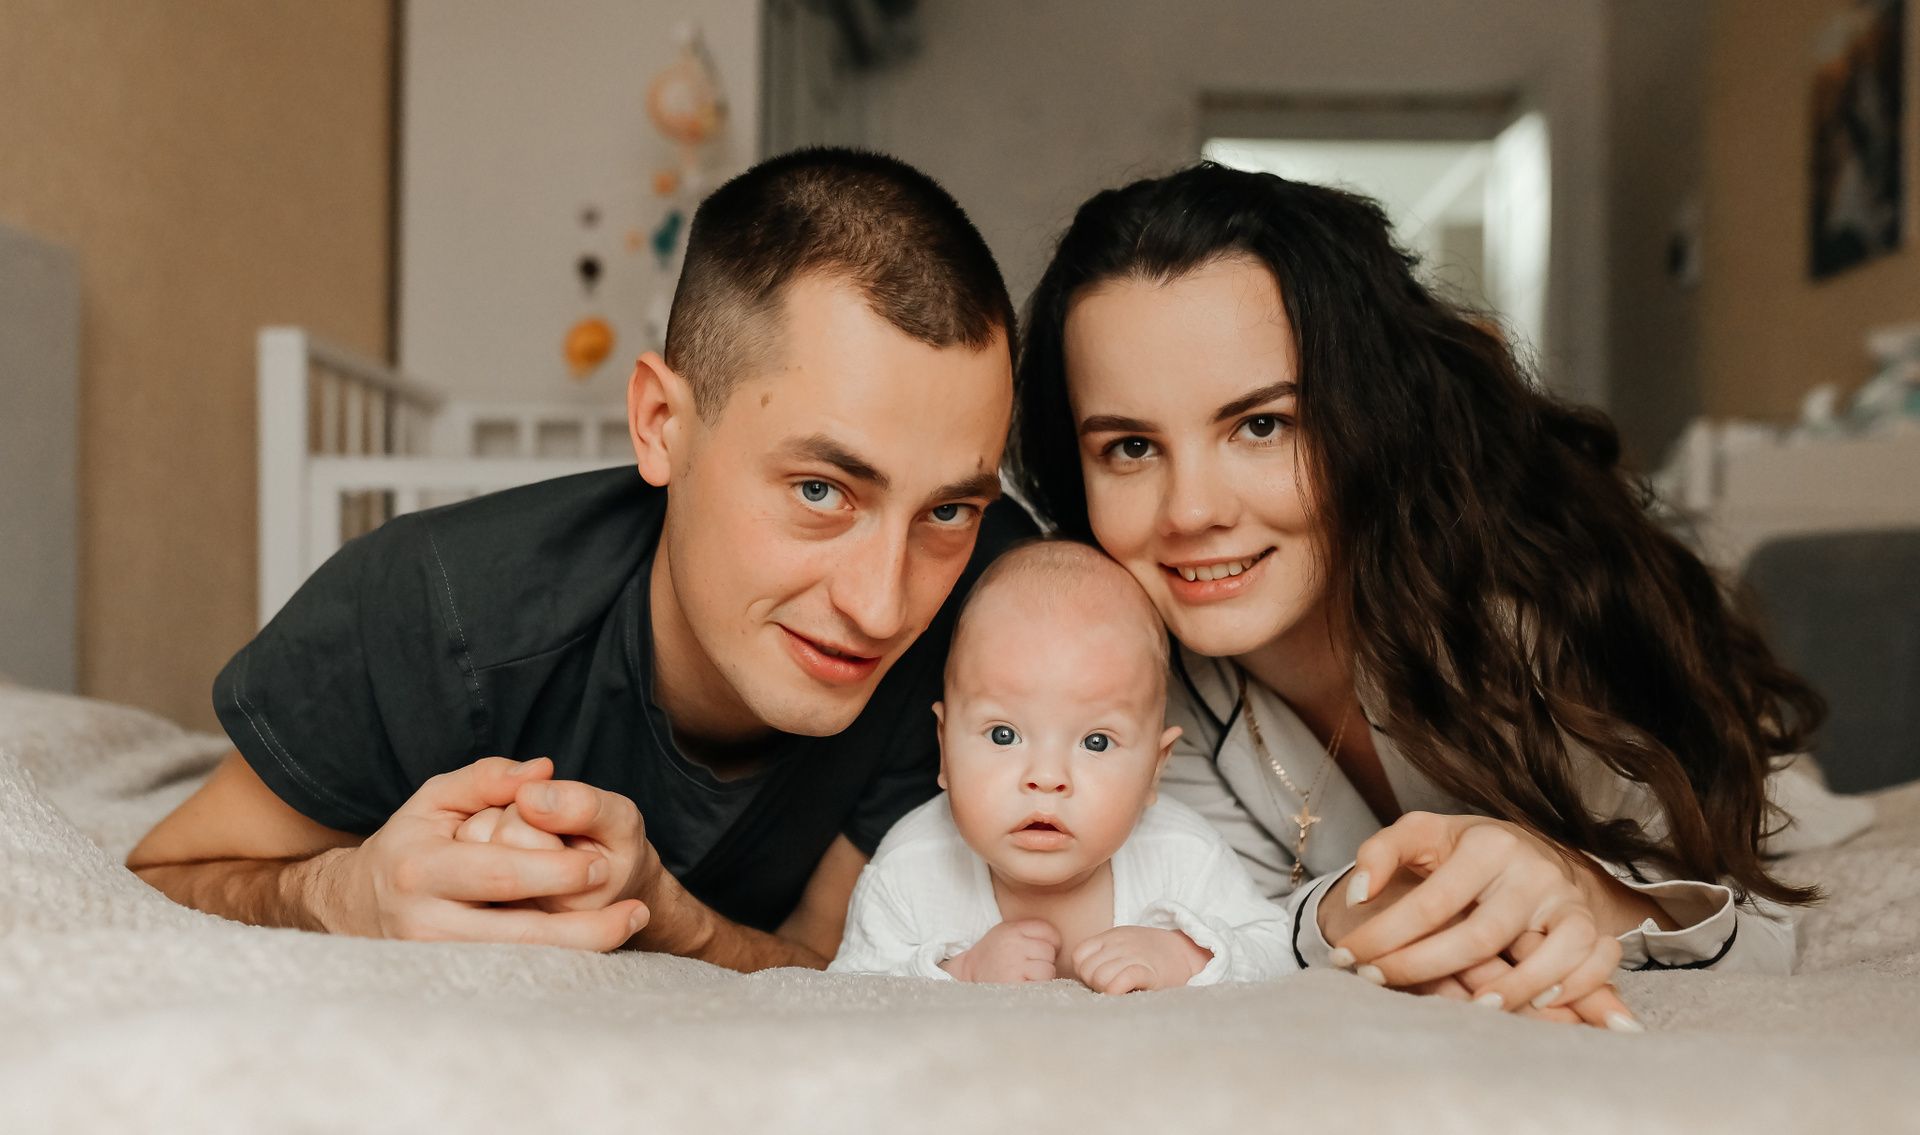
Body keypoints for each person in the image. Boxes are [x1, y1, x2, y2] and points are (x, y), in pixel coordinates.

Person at [1010, 163, 1871, 1028]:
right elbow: (1218, 911)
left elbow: (1751, 916)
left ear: (1367, 416)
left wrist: (1579, 886)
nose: (1191, 511)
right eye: (1129, 447)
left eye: (1262, 425)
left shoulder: (1526, 620)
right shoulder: (1126, 676)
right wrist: (1344, 914)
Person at [127, 148, 1032, 970]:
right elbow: (164, 875)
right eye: (821, 491)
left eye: (948, 510)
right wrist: (341, 893)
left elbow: (832, 963)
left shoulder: (990, 625)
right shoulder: (433, 609)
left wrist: (670, 916)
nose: (882, 608)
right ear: (660, 425)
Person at [828, 540, 1295, 991]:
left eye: (1096, 742)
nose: (1047, 778)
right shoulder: (911, 867)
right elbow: (853, 990)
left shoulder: (1183, 855)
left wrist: (1187, 957)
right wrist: (959, 972)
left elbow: (1276, 950)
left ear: (1155, 769)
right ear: (945, 749)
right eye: (1003, 735)